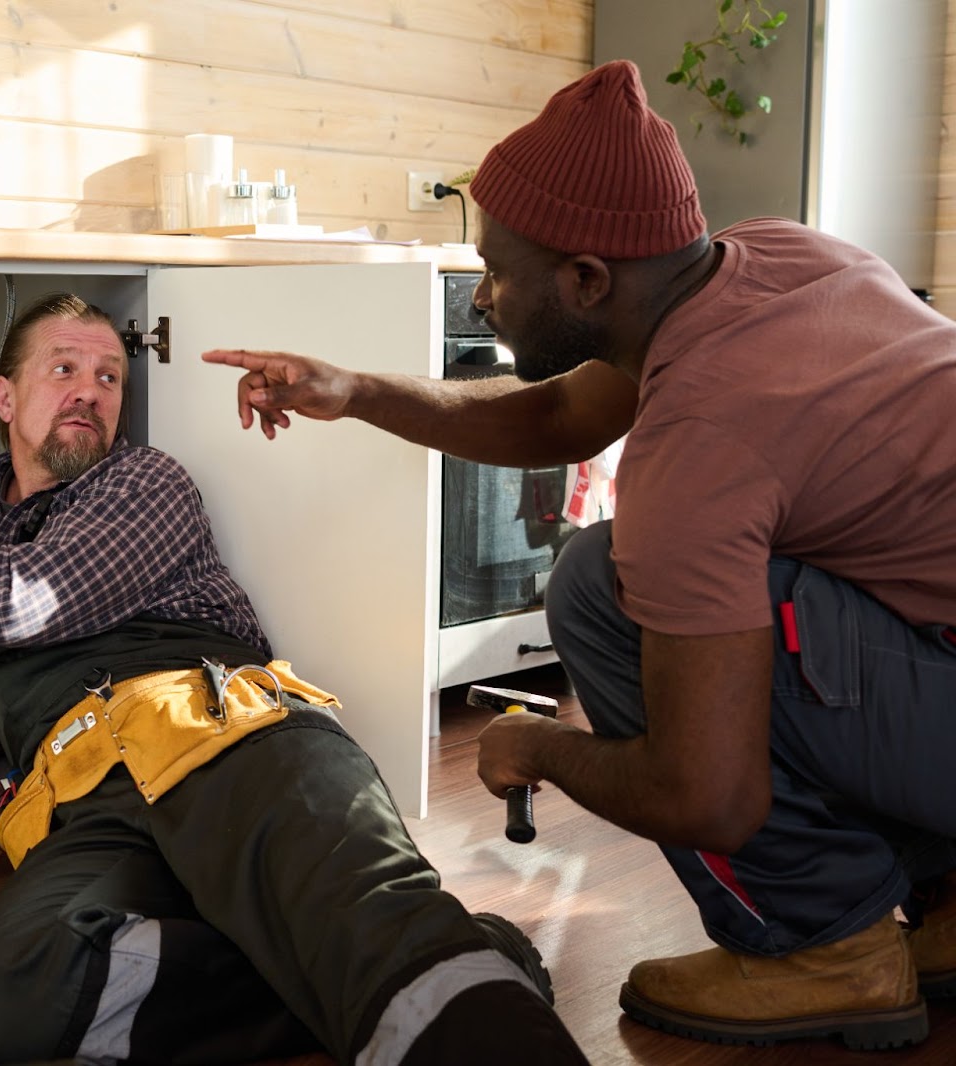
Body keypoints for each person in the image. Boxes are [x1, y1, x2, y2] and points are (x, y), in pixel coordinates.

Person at [203, 59, 956, 1052]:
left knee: (599, 587)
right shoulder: (774, 256)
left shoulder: (698, 444)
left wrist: (539, 749)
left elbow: (708, 795)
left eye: (497, 272)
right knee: (800, 579)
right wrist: (356, 390)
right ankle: (942, 906)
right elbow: (562, 411)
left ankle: (825, 949)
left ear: (589, 280)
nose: (482, 298)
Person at [0, 293, 588, 1064]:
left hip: (226, 738)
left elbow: (15, 602)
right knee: (8, 992)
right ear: (5, 396)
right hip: (86, 796)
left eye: (109, 376)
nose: (90, 390)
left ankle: (401, 960)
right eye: (63, 369)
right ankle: (364, 964)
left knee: (369, 915)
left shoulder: (144, 484)